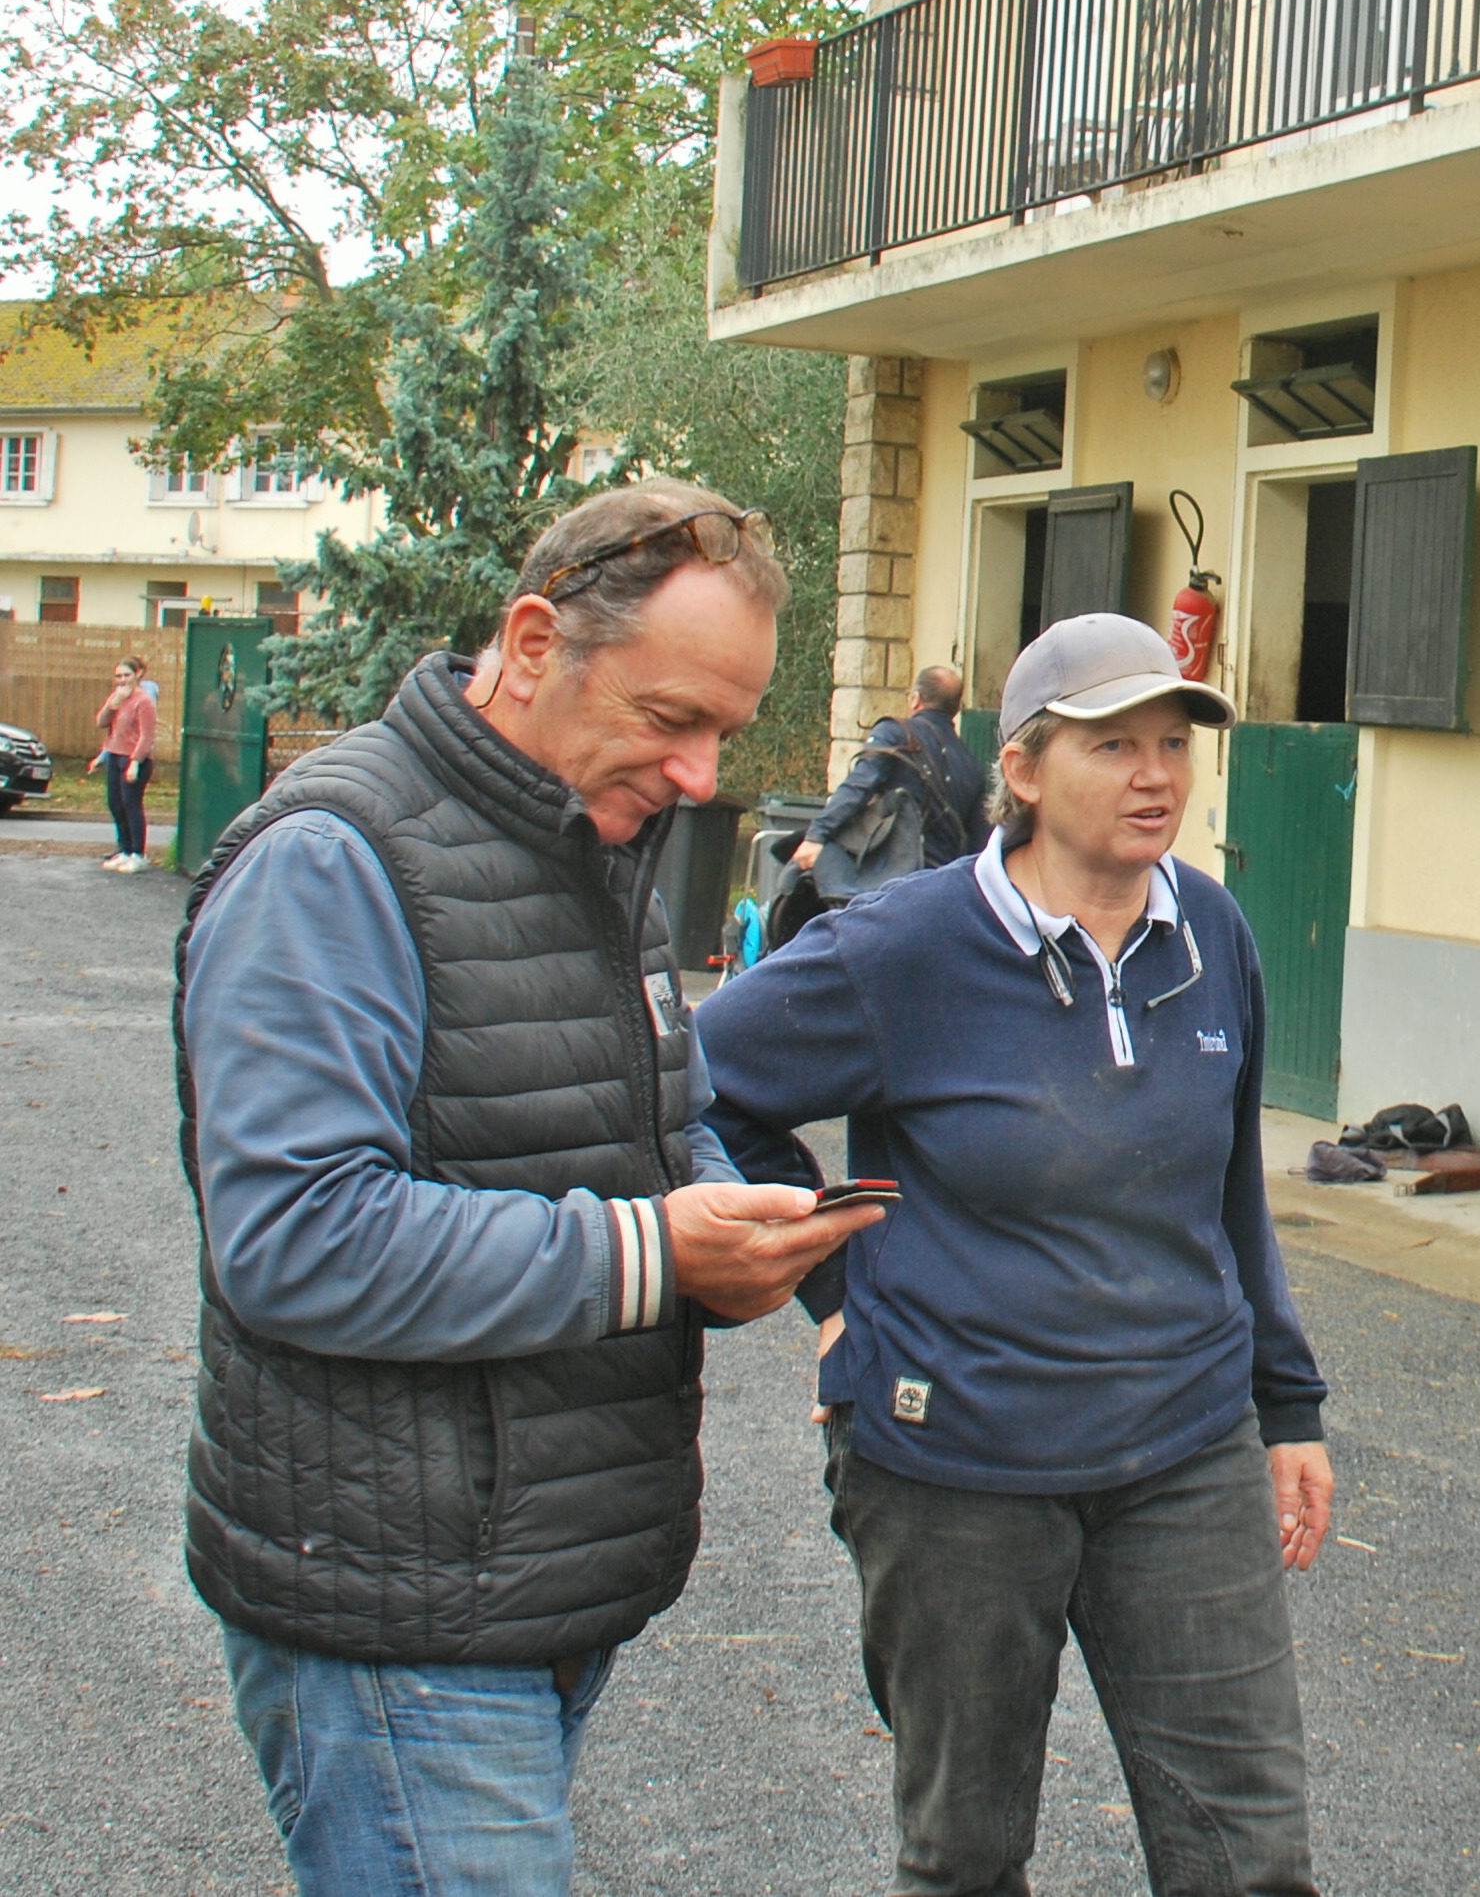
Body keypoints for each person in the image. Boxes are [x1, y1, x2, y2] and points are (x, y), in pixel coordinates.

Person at [176, 479, 887, 1897]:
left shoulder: (584, 838)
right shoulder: (334, 859)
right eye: (669, 719)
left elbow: (634, 1121)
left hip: (521, 1578)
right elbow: (296, 1235)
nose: (699, 777)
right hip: (394, 1602)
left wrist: (728, 1212)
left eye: (725, 736)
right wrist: (654, 1251)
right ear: (529, 638)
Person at [697, 613, 1334, 1897]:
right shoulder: (904, 947)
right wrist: (828, 1288)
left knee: (1249, 1859)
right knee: (967, 1854)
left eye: (1173, 742)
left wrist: (1286, 1403)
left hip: (1184, 1445)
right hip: (956, 1464)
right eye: (1115, 744)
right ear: (1027, 767)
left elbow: (1228, 1194)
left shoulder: (1212, 933)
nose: (1156, 773)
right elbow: (705, 1083)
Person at [794, 661, 989, 879]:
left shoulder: (896, 734)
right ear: (956, 708)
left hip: (892, 879)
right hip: (941, 885)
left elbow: (859, 786)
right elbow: (980, 842)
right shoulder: (971, 764)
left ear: (915, 699)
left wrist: (816, 835)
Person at [94, 654, 154, 873]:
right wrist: (113, 703)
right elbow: (101, 722)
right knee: (115, 804)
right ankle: (125, 849)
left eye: (126, 675)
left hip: (134, 760)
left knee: (131, 805)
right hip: (115, 756)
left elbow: (146, 736)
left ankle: (138, 853)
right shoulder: (118, 698)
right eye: (118, 676)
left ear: (137, 674)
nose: (122, 680)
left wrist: (135, 762)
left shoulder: (144, 701)